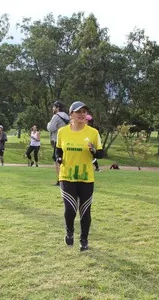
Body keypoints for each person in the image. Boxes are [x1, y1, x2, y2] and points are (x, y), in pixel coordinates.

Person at [55, 101, 103, 251]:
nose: (82, 114)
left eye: (84, 111)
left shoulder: (93, 132)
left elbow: (100, 154)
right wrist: (58, 158)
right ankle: (69, 231)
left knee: (85, 210)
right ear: (71, 115)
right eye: (78, 112)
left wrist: (94, 150)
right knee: (70, 209)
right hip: (66, 176)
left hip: (86, 177)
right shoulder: (62, 132)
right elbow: (58, 151)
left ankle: (84, 240)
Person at [47, 101, 69, 185]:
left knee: (57, 160)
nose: (52, 109)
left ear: (57, 108)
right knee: (64, 160)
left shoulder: (56, 116)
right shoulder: (67, 116)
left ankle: (60, 180)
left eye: (53, 107)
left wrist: (48, 124)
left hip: (58, 141)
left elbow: (51, 128)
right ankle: (66, 178)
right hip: (67, 141)